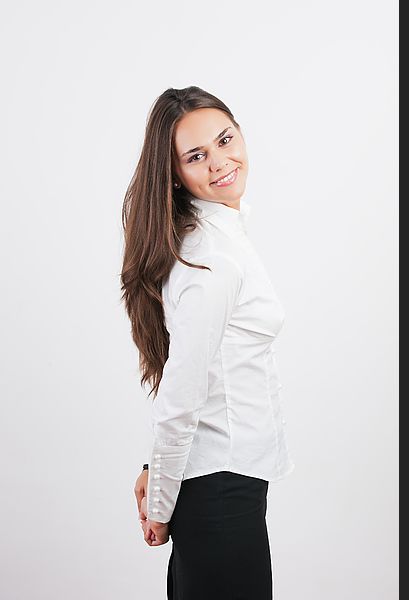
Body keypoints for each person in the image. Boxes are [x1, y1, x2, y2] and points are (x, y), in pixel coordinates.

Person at [120, 86, 295, 599]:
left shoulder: (218, 237)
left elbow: (206, 371)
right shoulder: (212, 259)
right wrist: (159, 503)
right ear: (175, 174)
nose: (221, 162)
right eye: (197, 156)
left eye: (225, 140)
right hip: (219, 494)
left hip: (225, 485)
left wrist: (157, 470)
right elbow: (182, 392)